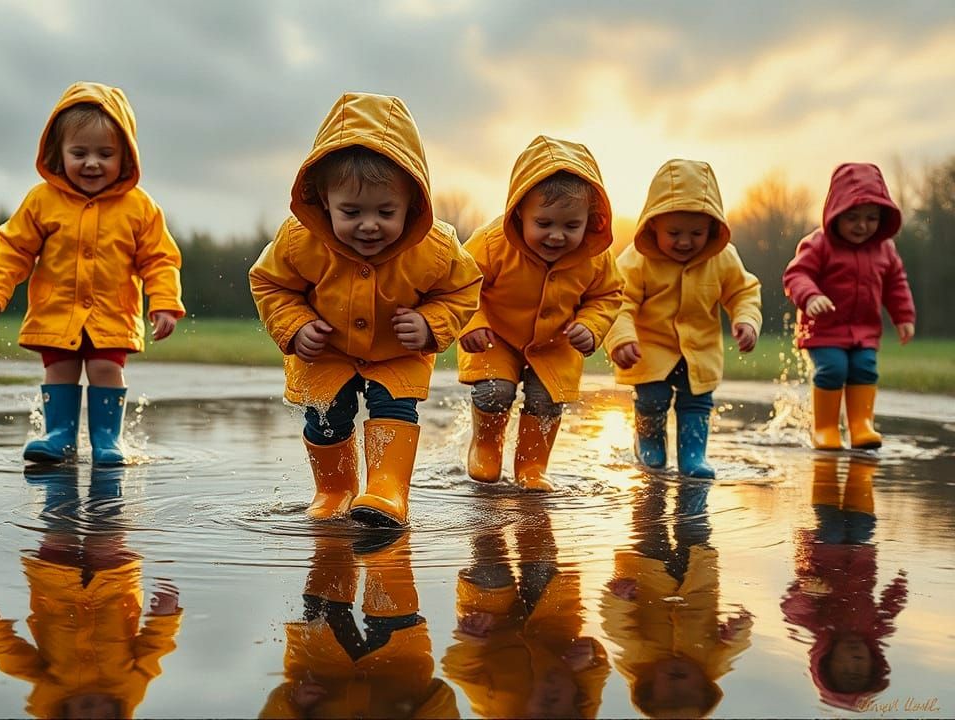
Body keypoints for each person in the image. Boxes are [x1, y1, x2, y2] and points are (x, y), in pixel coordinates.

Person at [249, 92, 482, 528]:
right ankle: (334, 491)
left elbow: (465, 287)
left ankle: (387, 491)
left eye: (385, 211)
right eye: (351, 212)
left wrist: (432, 323)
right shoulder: (299, 240)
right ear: (323, 201)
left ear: (413, 202)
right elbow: (268, 282)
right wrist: (295, 326)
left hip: (397, 356)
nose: (369, 225)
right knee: (326, 417)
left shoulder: (437, 247)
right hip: (327, 354)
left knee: (395, 409)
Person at [0, 82, 185, 466]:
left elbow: (160, 259)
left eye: (105, 154)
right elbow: (13, 250)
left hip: (112, 312)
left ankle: (107, 439)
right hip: (56, 312)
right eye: (79, 152)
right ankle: (59, 436)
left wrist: (165, 303)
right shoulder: (41, 201)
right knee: (60, 369)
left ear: (126, 157)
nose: (92, 163)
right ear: (58, 152)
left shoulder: (139, 207)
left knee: (104, 368)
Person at [457, 135, 622, 492]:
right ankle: (486, 447)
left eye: (571, 226)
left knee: (546, 399)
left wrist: (591, 326)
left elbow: (609, 294)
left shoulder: (596, 257)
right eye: (544, 224)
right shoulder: (491, 243)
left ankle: (532, 466)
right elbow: (460, 282)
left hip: (555, 344)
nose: (556, 236)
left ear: (590, 220)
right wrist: (473, 322)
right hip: (494, 338)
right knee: (495, 392)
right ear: (519, 212)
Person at [0, 466, 182, 719]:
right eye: (103, 716)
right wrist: (164, 616)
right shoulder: (131, 682)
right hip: (114, 587)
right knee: (106, 535)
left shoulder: (52, 687)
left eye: (85, 714)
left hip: (56, 588)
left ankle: (60, 473)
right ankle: (108, 474)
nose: (95, 709)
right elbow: (154, 646)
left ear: (65, 713)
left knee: (59, 530)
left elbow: (15, 660)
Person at [604, 159, 761, 479]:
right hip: (649, 349)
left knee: (697, 402)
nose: (686, 241)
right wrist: (621, 337)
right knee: (652, 400)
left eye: (697, 233)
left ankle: (693, 455)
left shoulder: (723, 257)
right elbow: (617, 301)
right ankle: (648, 441)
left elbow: (743, 291)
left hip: (699, 352)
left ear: (713, 229)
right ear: (653, 226)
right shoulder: (638, 260)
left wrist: (747, 320)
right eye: (674, 233)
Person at [783, 163, 915, 450]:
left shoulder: (885, 250)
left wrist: (903, 316)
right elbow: (796, 275)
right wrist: (811, 296)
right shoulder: (819, 244)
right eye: (852, 217)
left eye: (871, 218)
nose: (862, 226)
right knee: (833, 369)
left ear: (882, 217)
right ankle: (826, 429)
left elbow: (896, 283)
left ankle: (860, 426)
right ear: (836, 214)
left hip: (864, 330)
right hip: (825, 329)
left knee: (864, 369)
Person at [259, 531, 457, 718]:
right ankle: (387, 510)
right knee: (389, 583)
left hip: (322, 672)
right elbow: (442, 699)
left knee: (323, 598)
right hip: (401, 670)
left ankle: (333, 511)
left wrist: (292, 703)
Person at [442, 501, 609, 718]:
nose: (551, 689)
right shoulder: (586, 704)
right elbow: (598, 670)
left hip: (493, 624)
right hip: (552, 620)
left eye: (545, 702)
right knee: (541, 568)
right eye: (557, 698)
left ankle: (483, 505)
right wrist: (589, 658)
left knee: (491, 573)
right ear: (577, 698)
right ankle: (533, 504)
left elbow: (457, 671)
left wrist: (470, 643)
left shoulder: (496, 710)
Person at [601, 480, 752, 718]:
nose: (677, 686)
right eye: (687, 695)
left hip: (648, 572)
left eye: (669, 696)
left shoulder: (639, 658)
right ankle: (694, 483)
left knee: (648, 520)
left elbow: (617, 628)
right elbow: (740, 642)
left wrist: (619, 598)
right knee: (693, 522)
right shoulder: (713, 661)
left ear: (649, 687)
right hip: (697, 572)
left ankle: (650, 482)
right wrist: (738, 630)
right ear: (704, 686)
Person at [780, 455, 907, 710]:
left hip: (821, 555)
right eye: (860, 669)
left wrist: (809, 593)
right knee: (863, 524)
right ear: (874, 663)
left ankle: (825, 467)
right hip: (860, 556)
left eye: (846, 668)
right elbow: (889, 610)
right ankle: (859, 470)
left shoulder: (821, 627)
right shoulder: (874, 630)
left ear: (827, 660)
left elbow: (793, 610)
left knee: (833, 526)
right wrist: (898, 588)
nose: (855, 661)